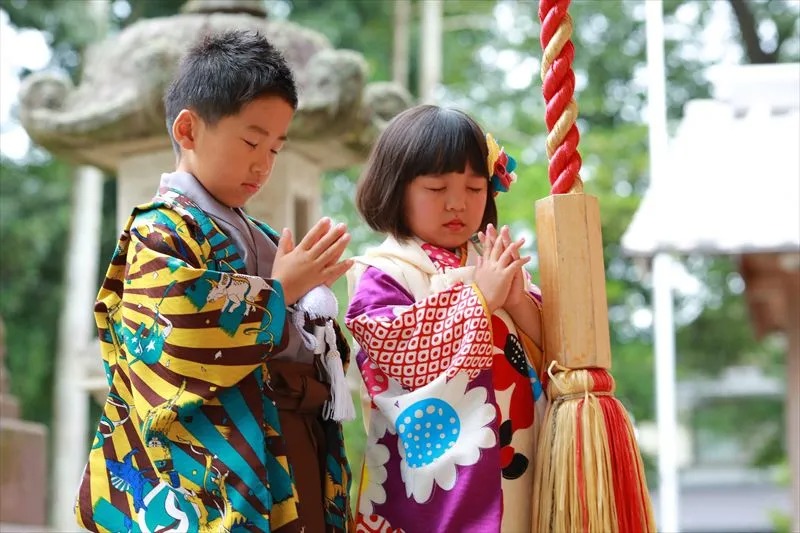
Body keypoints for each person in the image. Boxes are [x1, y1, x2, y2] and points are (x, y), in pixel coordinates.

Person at [75, 29, 354, 533]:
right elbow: (174, 335)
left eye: (275, 148)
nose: (264, 164)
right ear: (187, 129)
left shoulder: (265, 237)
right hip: (214, 477)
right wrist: (281, 294)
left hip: (292, 447)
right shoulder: (158, 228)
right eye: (251, 141)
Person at [345, 105, 548, 532]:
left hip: (518, 449)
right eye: (437, 188)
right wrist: (480, 300)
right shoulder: (385, 271)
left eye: (476, 189)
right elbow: (394, 350)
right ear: (395, 189)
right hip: (436, 475)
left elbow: (553, 352)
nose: (457, 203)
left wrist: (516, 301)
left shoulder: (490, 261)